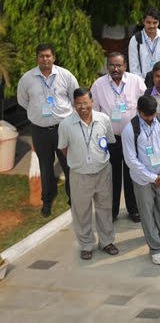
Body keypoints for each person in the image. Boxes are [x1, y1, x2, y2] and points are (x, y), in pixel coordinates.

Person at [17, 43, 79, 216]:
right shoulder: (27, 78)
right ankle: (47, 200)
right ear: (37, 58)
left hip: (62, 128)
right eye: (41, 56)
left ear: (54, 57)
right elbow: (23, 101)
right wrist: (38, 113)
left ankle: (73, 198)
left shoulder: (65, 75)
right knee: (45, 166)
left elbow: (75, 97)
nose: (45, 59)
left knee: (68, 165)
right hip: (40, 131)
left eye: (48, 56)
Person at [58, 87, 117, 260]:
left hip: (103, 172)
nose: (83, 107)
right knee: (81, 212)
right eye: (78, 104)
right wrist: (80, 161)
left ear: (92, 102)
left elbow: (109, 140)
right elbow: (63, 148)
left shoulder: (103, 119)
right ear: (73, 105)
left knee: (105, 209)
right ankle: (86, 245)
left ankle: (106, 241)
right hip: (80, 175)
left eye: (85, 102)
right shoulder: (66, 124)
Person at [123, 94, 160, 265]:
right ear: (139, 111)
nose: (150, 119)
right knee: (147, 214)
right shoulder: (130, 130)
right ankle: (155, 248)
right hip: (143, 180)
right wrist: (152, 177)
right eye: (146, 116)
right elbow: (131, 160)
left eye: (152, 115)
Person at [91, 49, 145, 223]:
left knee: (131, 174)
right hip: (110, 139)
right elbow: (95, 113)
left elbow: (145, 105)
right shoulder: (98, 85)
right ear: (107, 66)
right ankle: (112, 211)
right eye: (112, 65)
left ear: (125, 66)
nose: (115, 69)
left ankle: (133, 209)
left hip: (132, 138)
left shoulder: (136, 82)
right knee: (112, 178)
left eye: (119, 65)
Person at [128, 11, 160, 82]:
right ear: (143, 21)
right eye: (148, 22)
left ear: (158, 22)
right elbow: (134, 68)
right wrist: (141, 84)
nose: (152, 26)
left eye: (155, 23)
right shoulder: (135, 40)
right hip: (142, 84)